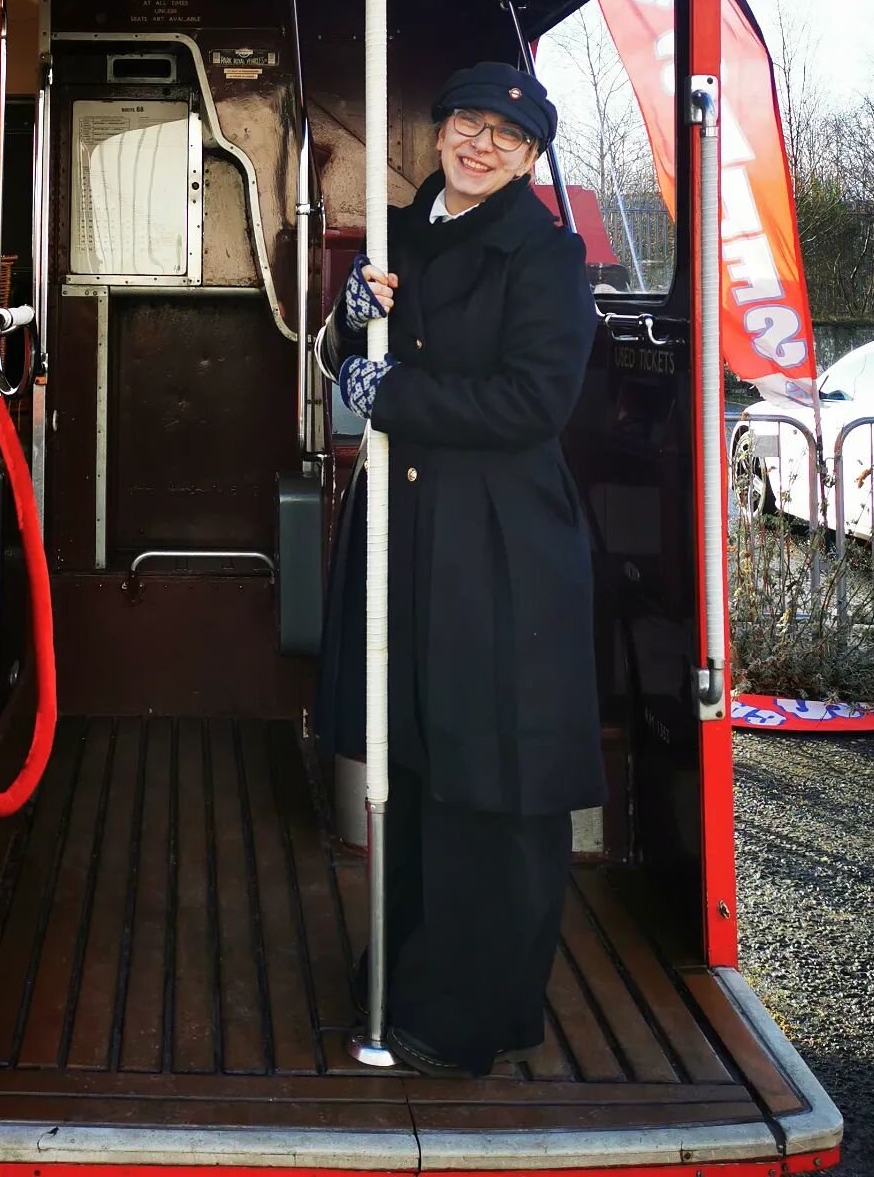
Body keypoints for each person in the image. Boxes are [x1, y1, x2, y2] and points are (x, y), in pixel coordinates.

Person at [315, 60, 603, 1078]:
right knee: (423, 757)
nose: (480, 146)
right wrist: (352, 321)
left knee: (498, 775)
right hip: (413, 537)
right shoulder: (404, 235)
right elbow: (349, 354)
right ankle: (410, 966)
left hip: (502, 549)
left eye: (507, 139)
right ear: (438, 130)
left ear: (530, 160)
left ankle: (474, 1007)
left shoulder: (547, 255)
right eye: (467, 125)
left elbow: (534, 404)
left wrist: (390, 393)